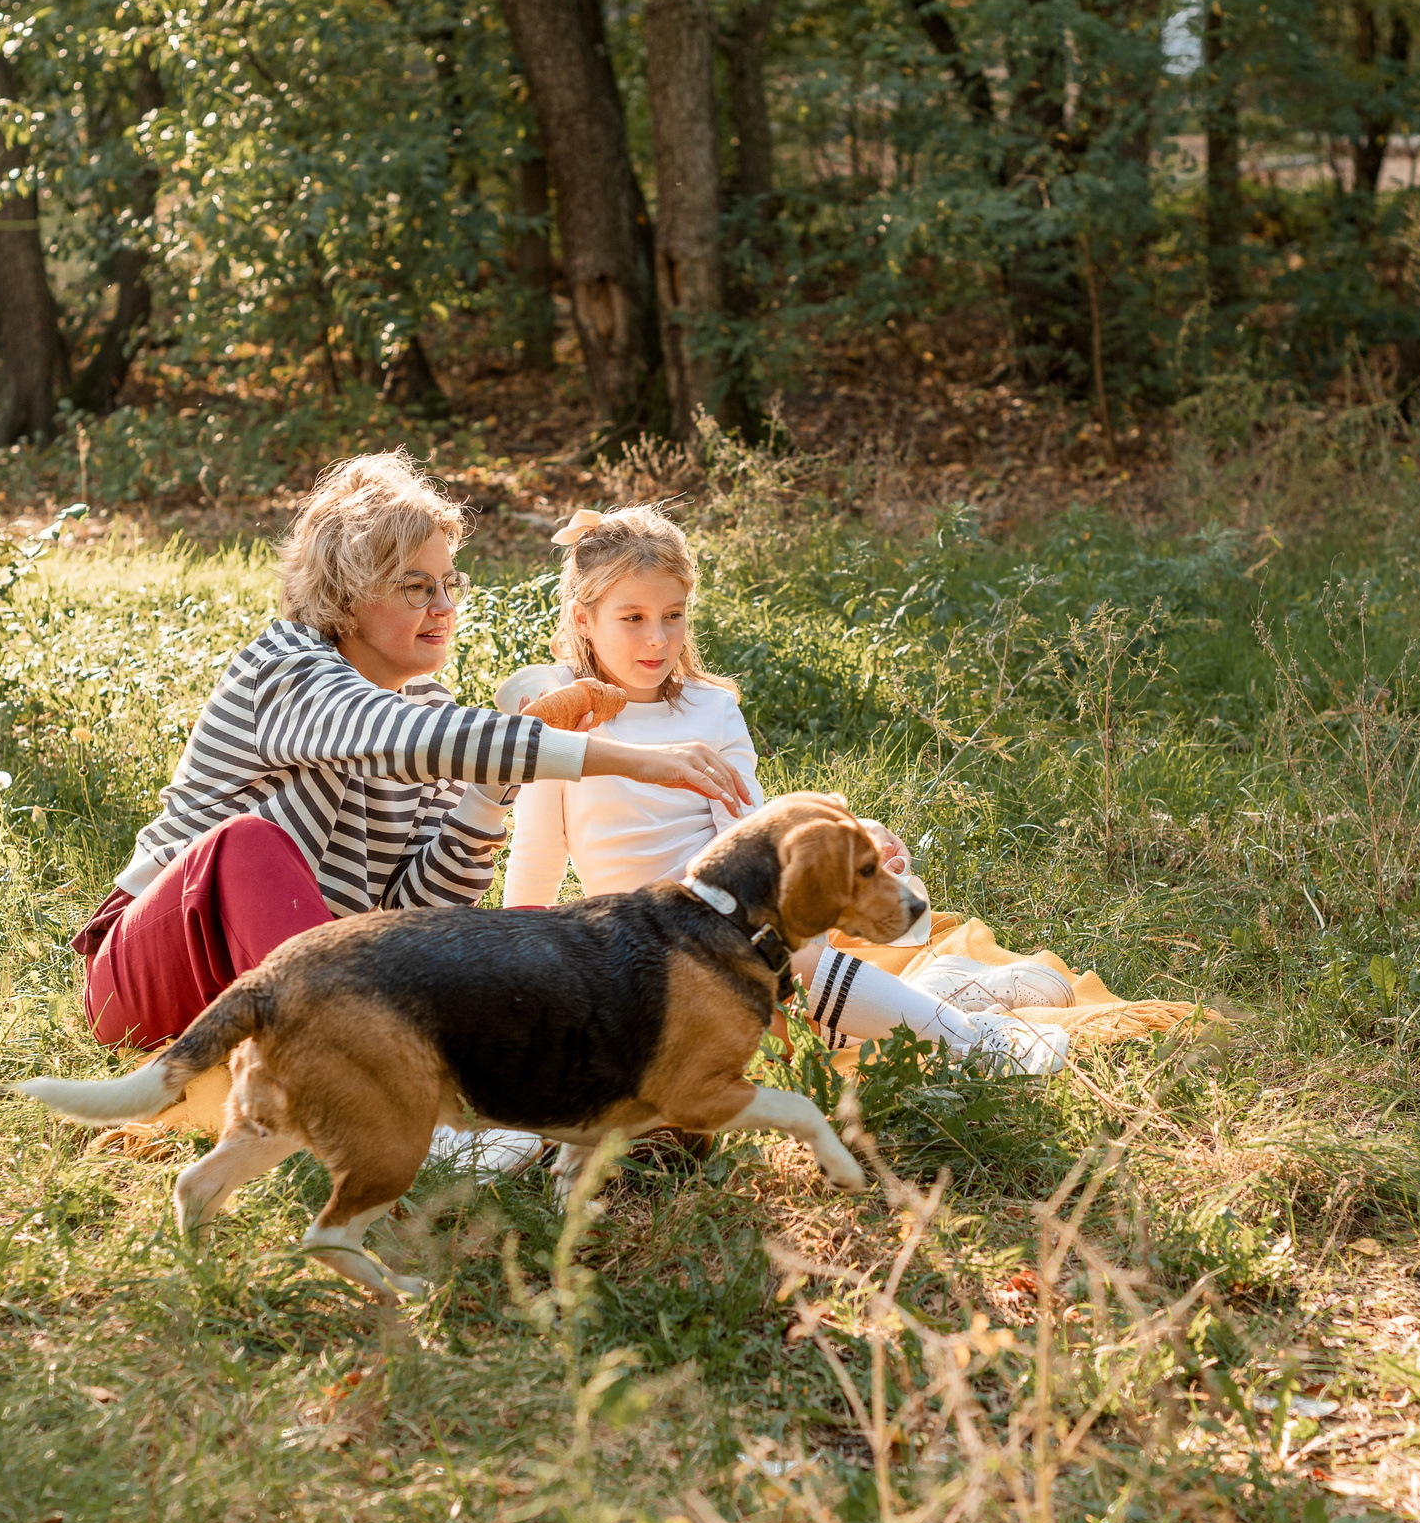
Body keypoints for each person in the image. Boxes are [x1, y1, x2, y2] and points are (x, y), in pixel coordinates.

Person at [69, 454, 749, 1052]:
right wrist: (626, 757)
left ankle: (574, 1091)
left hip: (316, 977)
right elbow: (396, 739)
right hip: (153, 974)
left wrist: (486, 794)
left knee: (533, 935)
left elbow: (417, 908)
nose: (445, 606)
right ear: (349, 591)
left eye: (450, 583)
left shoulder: (431, 707)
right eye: (417, 586)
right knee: (248, 845)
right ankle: (364, 1083)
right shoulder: (282, 667)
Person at [499, 506, 1071, 1073]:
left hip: (732, 911)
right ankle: (942, 994)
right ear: (581, 619)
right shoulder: (563, 721)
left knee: (780, 951)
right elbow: (537, 852)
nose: (657, 638)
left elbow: (749, 830)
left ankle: (969, 1038)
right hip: (641, 938)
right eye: (632, 618)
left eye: (672, 615)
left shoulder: (711, 709)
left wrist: (849, 846)